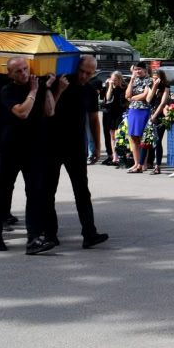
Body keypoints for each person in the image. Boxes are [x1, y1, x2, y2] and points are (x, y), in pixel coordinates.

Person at [0, 56, 55, 255]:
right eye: (18, 71)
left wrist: (48, 88)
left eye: (25, 69)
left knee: (35, 193)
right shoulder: (7, 90)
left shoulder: (39, 86)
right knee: (3, 192)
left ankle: (33, 239)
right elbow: (22, 112)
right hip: (11, 147)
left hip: (34, 148)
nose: (24, 73)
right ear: (10, 74)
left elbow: (50, 111)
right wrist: (34, 91)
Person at [46, 55, 109, 248]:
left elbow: (93, 119)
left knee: (82, 191)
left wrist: (97, 146)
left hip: (76, 147)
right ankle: (49, 233)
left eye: (89, 73)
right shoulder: (60, 83)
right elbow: (47, 110)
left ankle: (89, 233)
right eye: (82, 71)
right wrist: (57, 89)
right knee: (48, 191)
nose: (84, 76)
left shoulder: (90, 90)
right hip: (52, 144)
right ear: (76, 68)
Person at [123, 63, 154, 173]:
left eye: (139, 69)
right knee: (133, 137)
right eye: (135, 69)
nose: (137, 71)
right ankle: (136, 163)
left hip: (143, 110)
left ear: (145, 70)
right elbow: (126, 95)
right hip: (133, 110)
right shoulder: (134, 80)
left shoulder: (149, 80)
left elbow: (145, 95)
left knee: (142, 138)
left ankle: (143, 163)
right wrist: (131, 81)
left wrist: (131, 98)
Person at [101, 71, 126, 165]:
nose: (113, 81)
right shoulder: (110, 87)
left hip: (120, 112)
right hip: (111, 113)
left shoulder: (124, 88)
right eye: (112, 80)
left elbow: (125, 101)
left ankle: (120, 156)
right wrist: (110, 86)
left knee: (117, 135)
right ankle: (114, 157)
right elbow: (107, 98)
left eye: (115, 80)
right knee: (112, 135)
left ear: (119, 79)